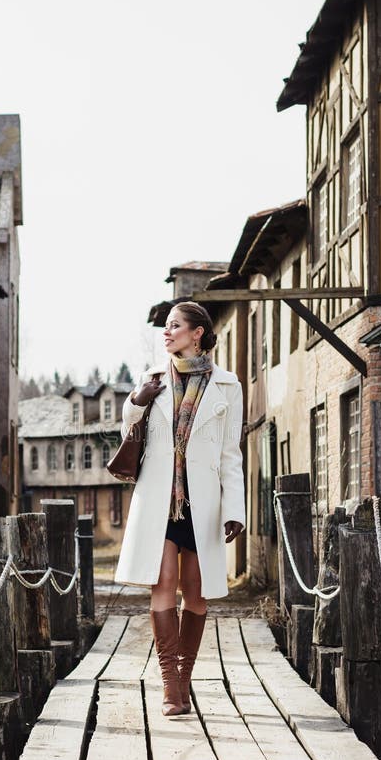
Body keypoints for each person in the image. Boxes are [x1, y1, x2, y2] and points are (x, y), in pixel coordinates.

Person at [114, 302, 245, 716]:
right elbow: (127, 430)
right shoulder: (152, 379)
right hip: (159, 499)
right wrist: (137, 400)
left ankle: (184, 679)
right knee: (163, 581)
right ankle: (170, 684)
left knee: (198, 592)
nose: (166, 333)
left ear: (197, 334)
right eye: (166, 327)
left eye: (175, 326)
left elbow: (231, 454)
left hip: (203, 502)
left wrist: (235, 508)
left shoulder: (228, 386)